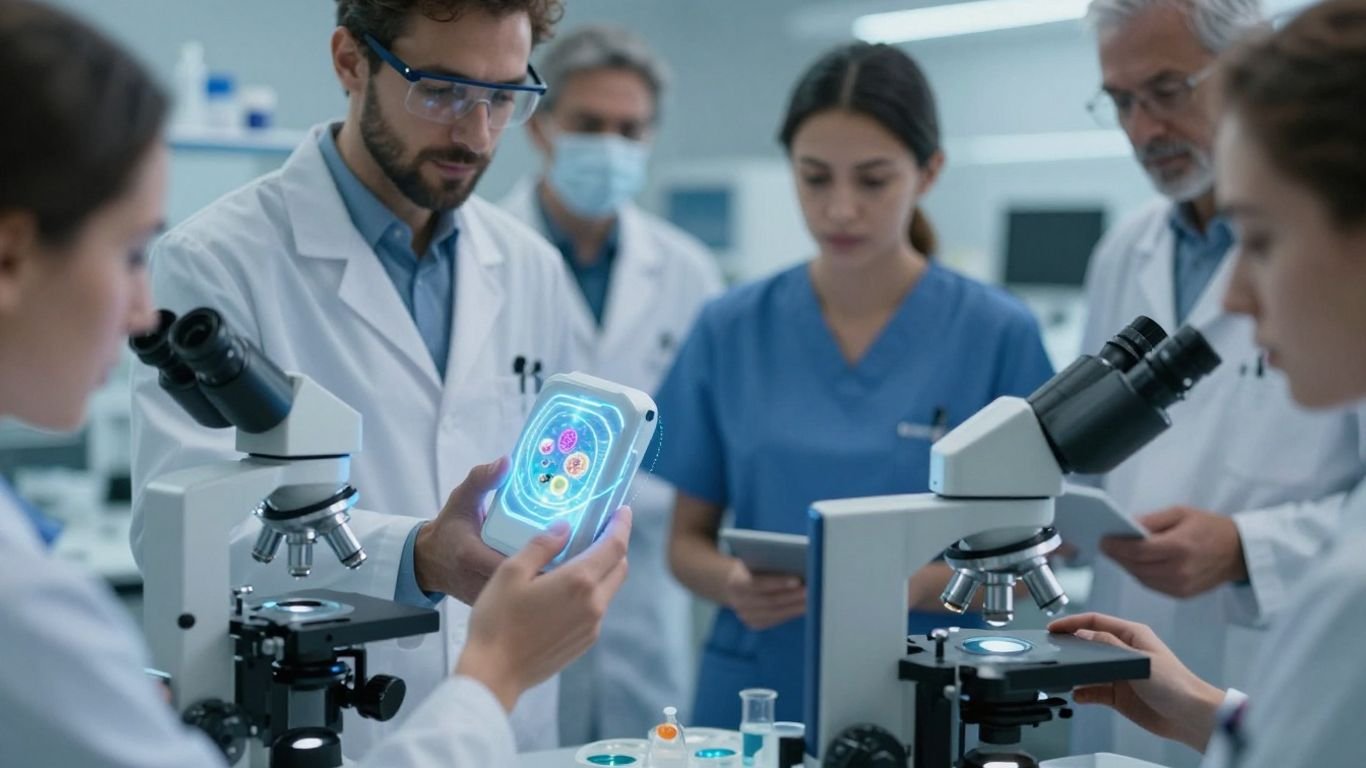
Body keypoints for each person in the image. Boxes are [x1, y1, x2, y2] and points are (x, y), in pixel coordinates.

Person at [0, 3, 631, 766]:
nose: (476, 132)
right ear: (349, 62)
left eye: (502, 95)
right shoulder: (216, 259)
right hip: (325, 724)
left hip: (511, 732)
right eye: (441, 89)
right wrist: (420, 554)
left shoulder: (530, 267)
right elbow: (182, 543)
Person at [650, 42, 1056, 727]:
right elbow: (684, 545)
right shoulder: (730, 327)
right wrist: (731, 583)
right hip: (756, 689)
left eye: (873, 181)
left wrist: (905, 588)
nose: (840, 209)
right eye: (815, 179)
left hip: (930, 682)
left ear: (929, 173)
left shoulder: (996, 333)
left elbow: (1042, 548)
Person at [1053, 3, 1366, 765]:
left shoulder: (1352, 589)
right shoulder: (1124, 250)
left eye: (1167, 89)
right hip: (1161, 661)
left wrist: (1248, 548)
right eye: (1122, 101)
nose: (1142, 128)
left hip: (1258, 638)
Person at [499, 24, 725, 742]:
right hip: (512, 562)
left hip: (644, 572)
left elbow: (700, 435)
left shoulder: (686, 271)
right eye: (589, 125)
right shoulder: (487, 254)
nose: (611, 146)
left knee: (645, 747)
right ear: (541, 126)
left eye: (630, 129)